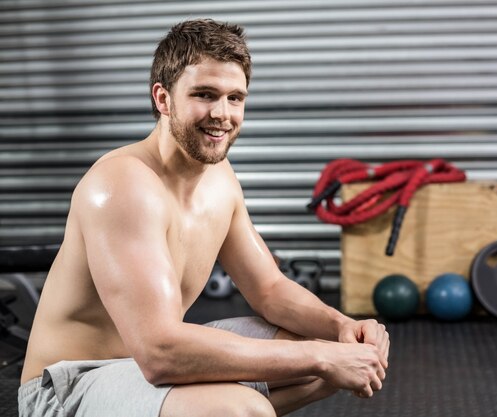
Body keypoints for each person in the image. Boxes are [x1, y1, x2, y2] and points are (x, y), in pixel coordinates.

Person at [18, 18, 389, 417]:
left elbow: (269, 289)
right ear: (163, 99)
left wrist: (340, 328)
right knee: (244, 407)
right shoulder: (121, 185)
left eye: (235, 98)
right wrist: (319, 356)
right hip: (68, 383)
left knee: (329, 357)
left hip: (144, 367)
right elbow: (160, 352)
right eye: (205, 94)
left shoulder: (219, 180)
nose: (222, 114)